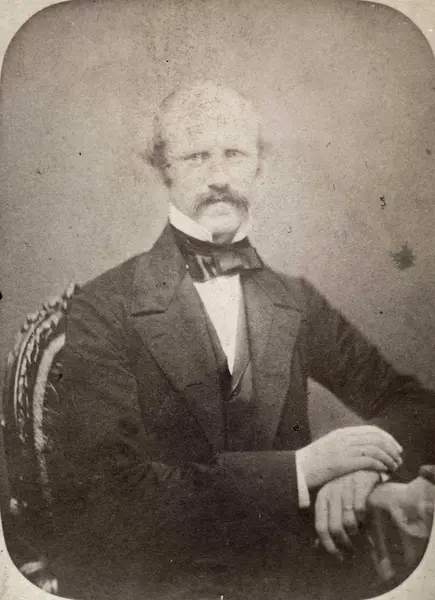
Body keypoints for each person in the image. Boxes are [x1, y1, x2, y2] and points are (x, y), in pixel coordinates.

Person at [48, 81, 435, 600]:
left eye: (234, 154)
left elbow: (414, 405)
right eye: (196, 156)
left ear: (259, 167)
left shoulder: (295, 299)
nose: (219, 178)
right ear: (165, 169)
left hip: (293, 575)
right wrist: (304, 471)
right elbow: (111, 494)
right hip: (162, 581)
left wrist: (365, 469)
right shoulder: (104, 305)